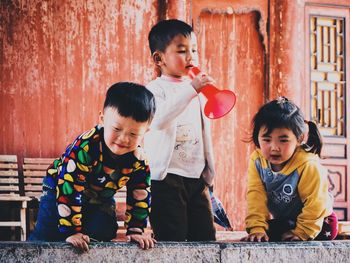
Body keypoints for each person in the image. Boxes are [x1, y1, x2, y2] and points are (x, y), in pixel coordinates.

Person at [29, 82, 157, 250]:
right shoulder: (86, 147)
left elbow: (140, 193)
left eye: (133, 134)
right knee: (48, 232)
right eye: (117, 129)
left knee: (103, 229)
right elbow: (70, 185)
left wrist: (136, 230)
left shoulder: (139, 160)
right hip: (60, 189)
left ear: (145, 133)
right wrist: (71, 231)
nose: (124, 139)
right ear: (102, 120)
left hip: (100, 197)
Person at [144, 19, 217, 241]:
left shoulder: (196, 90)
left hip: (196, 177)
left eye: (194, 50)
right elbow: (159, 120)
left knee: (205, 238)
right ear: (159, 58)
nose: (191, 57)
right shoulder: (155, 89)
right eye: (182, 50)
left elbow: (205, 132)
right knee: (171, 238)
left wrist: (209, 172)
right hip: (166, 179)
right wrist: (192, 89)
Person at [241, 97, 338, 242]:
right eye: (267, 140)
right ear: (257, 138)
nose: (274, 147)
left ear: (299, 139)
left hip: (319, 221)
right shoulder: (257, 161)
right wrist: (257, 228)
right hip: (288, 221)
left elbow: (315, 203)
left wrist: (302, 232)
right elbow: (256, 196)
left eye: (283, 140)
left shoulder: (307, 165)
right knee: (263, 236)